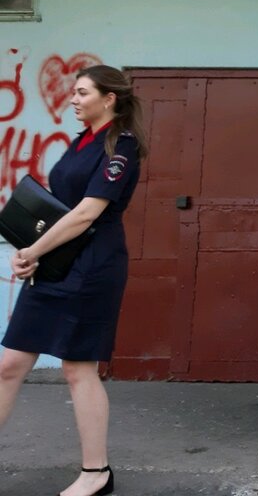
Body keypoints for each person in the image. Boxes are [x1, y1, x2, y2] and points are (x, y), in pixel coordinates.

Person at [0, 65, 147, 496]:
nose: (73, 100)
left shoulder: (122, 146)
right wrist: (31, 253)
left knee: (78, 368)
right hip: (54, 262)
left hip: (92, 267)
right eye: (73, 93)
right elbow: (58, 208)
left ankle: (96, 474)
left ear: (109, 98)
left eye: (82, 92)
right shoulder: (80, 140)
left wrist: (33, 251)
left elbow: (86, 213)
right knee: (9, 365)